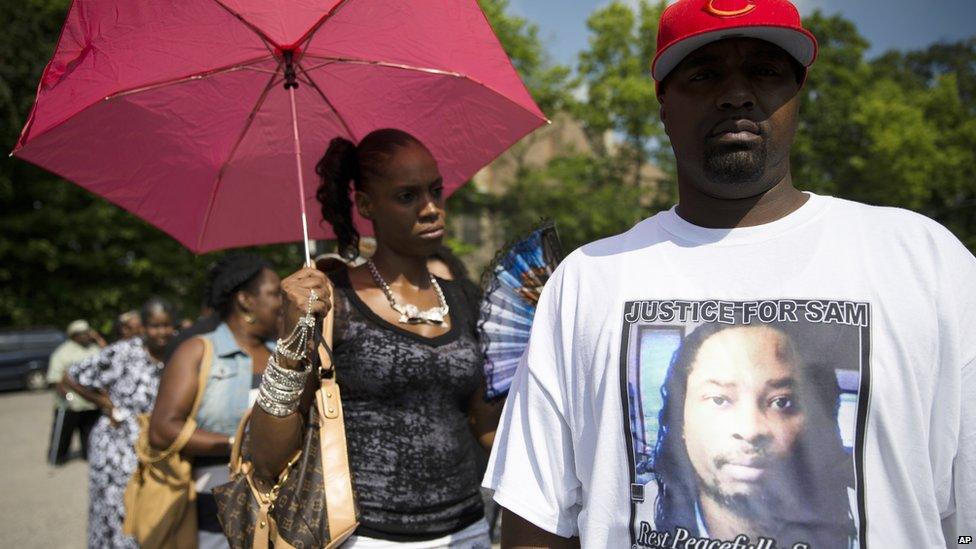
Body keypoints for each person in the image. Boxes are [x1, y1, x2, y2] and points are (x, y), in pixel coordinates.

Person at [484, 0, 976, 547]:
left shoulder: (926, 262)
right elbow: (536, 523)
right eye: (704, 73)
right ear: (663, 104)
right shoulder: (587, 283)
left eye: (764, 70)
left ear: (797, 94)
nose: (737, 94)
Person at [249, 129, 502, 548]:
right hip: (368, 536)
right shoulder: (330, 300)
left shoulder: (465, 298)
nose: (431, 209)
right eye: (407, 196)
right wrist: (292, 340)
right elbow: (268, 456)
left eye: (436, 191)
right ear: (367, 204)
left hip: (468, 529)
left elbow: (485, 424)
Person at [654, 323, 854, 546]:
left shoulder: (867, 512)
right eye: (719, 400)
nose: (750, 430)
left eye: (781, 402)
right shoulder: (631, 511)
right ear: (681, 418)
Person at [149, 254, 281, 549]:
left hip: (279, 509)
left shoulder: (281, 355)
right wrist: (239, 443)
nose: (281, 301)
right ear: (246, 300)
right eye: (274, 293)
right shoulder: (197, 351)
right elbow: (162, 429)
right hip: (217, 509)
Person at [64, 298, 176, 549]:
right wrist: (107, 405)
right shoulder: (123, 352)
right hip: (118, 445)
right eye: (155, 326)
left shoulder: (177, 352)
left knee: (151, 510)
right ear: (144, 327)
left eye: (167, 325)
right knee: (118, 512)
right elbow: (71, 376)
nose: (162, 332)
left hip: (154, 445)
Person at [46, 319, 105, 465]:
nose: (86, 336)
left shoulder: (94, 349)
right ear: (73, 335)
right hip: (71, 403)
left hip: (92, 403)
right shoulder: (62, 353)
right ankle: (58, 457)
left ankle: (89, 455)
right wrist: (69, 397)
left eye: (87, 332)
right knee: (63, 434)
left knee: (90, 434)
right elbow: (55, 379)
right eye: (82, 334)